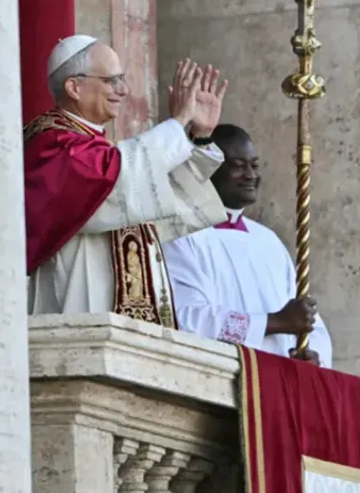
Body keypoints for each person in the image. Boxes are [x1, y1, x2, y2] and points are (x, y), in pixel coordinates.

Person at [25, 34, 230, 328]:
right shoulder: (53, 145)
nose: (122, 90)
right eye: (112, 80)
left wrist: (199, 135)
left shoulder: (97, 150)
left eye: (122, 80)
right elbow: (117, 177)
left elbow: (161, 201)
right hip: (78, 311)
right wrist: (177, 124)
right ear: (74, 87)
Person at [161, 124, 333, 367]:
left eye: (254, 165)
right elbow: (188, 317)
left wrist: (312, 353)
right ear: (210, 170)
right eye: (239, 166)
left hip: (281, 378)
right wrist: (274, 322)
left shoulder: (268, 241)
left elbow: (305, 318)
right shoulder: (183, 236)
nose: (251, 175)